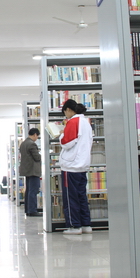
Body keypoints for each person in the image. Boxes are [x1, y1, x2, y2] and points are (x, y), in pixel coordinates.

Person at [59, 99, 93, 235]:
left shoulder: (73, 122)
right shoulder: (86, 122)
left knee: (70, 197)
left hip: (71, 166)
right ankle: (86, 224)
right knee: (81, 196)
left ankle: (74, 226)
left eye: (65, 113)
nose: (65, 116)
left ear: (68, 109)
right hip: (82, 165)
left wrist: (61, 134)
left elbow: (66, 142)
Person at [19, 127, 42, 217]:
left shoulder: (23, 143)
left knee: (28, 190)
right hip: (33, 171)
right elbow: (37, 157)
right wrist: (41, 155)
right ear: (35, 134)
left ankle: (28, 210)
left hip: (27, 170)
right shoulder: (32, 144)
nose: (37, 138)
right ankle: (32, 210)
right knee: (33, 191)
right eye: (37, 136)